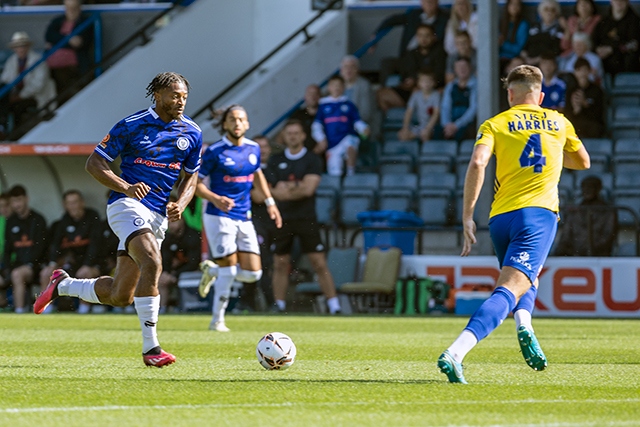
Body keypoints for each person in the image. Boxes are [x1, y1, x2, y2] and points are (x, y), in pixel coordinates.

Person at [34, 72, 202, 368]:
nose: (180, 101)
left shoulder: (192, 132)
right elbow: (94, 163)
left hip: (158, 214)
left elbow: (191, 175)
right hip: (127, 205)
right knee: (152, 262)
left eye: (184, 97)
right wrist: (126, 188)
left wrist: (182, 202)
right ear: (158, 95)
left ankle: (62, 285)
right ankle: (152, 349)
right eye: (175, 95)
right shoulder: (132, 125)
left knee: (120, 295)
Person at [437, 64, 590, 384]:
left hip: (500, 218)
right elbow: (583, 162)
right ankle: (456, 351)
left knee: (525, 277)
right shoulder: (559, 122)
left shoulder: (495, 123)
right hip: (537, 216)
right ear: (542, 95)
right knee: (508, 290)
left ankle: (525, 326)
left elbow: (478, 162)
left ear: (510, 94)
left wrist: (467, 215)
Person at [196, 105, 282, 332]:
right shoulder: (214, 151)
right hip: (219, 216)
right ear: (224, 124)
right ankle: (217, 321)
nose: (237, 123)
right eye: (232, 119)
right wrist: (215, 199)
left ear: (247, 124)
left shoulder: (253, 148)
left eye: (241, 119)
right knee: (230, 270)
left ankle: (212, 271)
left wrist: (270, 201)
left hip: (244, 217)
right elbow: (195, 185)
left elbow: (257, 174)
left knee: (254, 274)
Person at [266, 119, 341, 315]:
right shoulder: (275, 160)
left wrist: (287, 187)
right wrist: (295, 187)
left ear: (303, 136)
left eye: (296, 133)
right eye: (289, 133)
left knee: (318, 261)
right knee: (280, 262)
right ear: (284, 136)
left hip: (306, 218)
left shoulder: (312, 159)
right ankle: (279, 305)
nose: (292, 136)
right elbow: (273, 192)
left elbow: (309, 190)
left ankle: (334, 305)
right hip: (282, 218)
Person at [38, 189, 103, 314]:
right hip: (70, 263)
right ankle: (46, 309)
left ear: (82, 203)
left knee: (85, 273)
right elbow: (55, 244)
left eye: (76, 202)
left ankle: (84, 310)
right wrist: (52, 262)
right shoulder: (64, 220)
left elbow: (96, 245)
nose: (74, 206)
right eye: (70, 203)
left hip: (90, 263)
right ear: (65, 205)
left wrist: (87, 264)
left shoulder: (92, 217)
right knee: (46, 273)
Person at [377, 24, 447, 112]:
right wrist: (409, 81)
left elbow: (439, 76)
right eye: (420, 35)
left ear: (433, 37)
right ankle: (399, 123)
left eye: (427, 35)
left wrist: (420, 84)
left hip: (431, 91)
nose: (423, 39)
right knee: (380, 94)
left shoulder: (440, 53)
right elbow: (407, 73)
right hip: (411, 90)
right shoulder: (412, 53)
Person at [1, 185, 48, 313]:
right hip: (18, 265)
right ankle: (15, 308)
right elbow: (7, 249)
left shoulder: (38, 219)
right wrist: (5, 269)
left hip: (37, 265)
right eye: (13, 202)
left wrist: (30, 264)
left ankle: (21, 310)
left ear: (26, 199)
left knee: (17, 274)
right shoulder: (11, 221)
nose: (17, 205)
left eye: (19, 200)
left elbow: (41, 247)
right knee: (15, 273)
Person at [312, 75, 370, 177]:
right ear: (329, 87)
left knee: (350, 146)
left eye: (339, 85)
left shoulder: (349, 104)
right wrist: (321, 139)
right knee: (334, 172)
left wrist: (363, 129)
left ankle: (351, 173)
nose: (336, 88)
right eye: (334, 85)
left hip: (347, 135)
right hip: (332, 142)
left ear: (343, 87)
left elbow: (357, 121)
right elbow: (317, 125)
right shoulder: (323, 105)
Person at [0, 31, 56, 134]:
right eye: (17, 46)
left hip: (35, 96)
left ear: (28, 46)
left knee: (16, 107)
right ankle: (3, 130)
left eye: (23, 45)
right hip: (17, 94)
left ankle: (15, 134)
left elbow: (38, 85)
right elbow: (5, 80)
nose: (20, 49)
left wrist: (20, 96)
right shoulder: (12, 60)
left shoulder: (38, 60)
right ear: (14, 48)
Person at [44, 0, 94, 105]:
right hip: (51, 65)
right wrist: (69, 40)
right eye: (68, 8)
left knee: (64, 85)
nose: (71, 11)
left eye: (74, 8)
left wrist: (57, 42)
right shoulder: (58, 21)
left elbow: (81, 43)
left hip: (73, 65)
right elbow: (49, 35)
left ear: (79, 8)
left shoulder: (85, 22)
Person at [248, 134, 276, 311]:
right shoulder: (247, 170)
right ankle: (257, 303)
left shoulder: (275, 168)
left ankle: (274, 302)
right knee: (257, 262)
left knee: (272, 264)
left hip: (276, 223)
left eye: (265, 147)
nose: (262, 150)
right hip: (254, 222)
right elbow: (258, 197)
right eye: (258, 147)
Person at [555, 175, 616, 256]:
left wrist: (589, 250)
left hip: (599, 256)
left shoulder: (608, 212)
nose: (587, 190)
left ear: (598, 189)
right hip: (574, 255)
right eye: (584, 187)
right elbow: (565, 237)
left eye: (591, 187)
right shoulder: (575, 212)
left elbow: (608, 237)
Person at [371, 0, 449, 58]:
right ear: (422, 3)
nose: (428, 4)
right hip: (407, 57)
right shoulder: (413, 15)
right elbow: (391, 20)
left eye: (431, 2)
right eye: (425, 2)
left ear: (437, 2)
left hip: (430, 58)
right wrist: (375, 35)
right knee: (387, 63)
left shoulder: (444, 18)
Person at [158, 216, 201, 313]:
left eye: (173, 222)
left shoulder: (193, 236)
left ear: (182, 221)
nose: (170, 226)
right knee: (161, 280)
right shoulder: (168, 238)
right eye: (168, 223)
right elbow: (165, 259)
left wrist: (175, 275)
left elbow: (194, 263)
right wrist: (166, 273)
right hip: (174, 272)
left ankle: (182, 306)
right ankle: (162, 309)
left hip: (191, 271)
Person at [592, 0, 640, 77]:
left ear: (628, 2)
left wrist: (612, 49)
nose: (619, 2)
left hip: (623, 60)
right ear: (611, 1)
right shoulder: (603, 22)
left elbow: (634, 44)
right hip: (603, 59)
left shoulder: (635, 21)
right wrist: (597, 49)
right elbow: (594, 40)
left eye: (622, 0)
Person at [434, 56, 477, 142]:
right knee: (436, 132)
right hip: (450, 124)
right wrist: (446, 125)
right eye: (459, 67)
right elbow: (445, 107)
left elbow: (473, 109)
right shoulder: (450, 86)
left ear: (470, 68)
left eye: (465, 67)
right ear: (455, 69)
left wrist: (456, 125)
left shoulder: (476, 85)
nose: (462, 70)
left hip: (466, 124)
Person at [564, 58, 605, 139]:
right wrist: (576, 110)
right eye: (579, 70)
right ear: (575, 72)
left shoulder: (597, 90)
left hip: (591, 123)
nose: (582, 73)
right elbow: (567, 111)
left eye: (585, 70)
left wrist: (585, 104)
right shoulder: (570, 91)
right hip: (576, 122)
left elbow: (600, 112)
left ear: (589, 71)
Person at [397, 70, 440, 142]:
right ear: (419, 83)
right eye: (423, 81)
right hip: (420, 126)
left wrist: (428, 128)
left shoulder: (436, 95)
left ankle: (426, 151)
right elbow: (409, 112)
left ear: (434, 83)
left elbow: (436, 114)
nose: (426, 84)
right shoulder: (416, 95)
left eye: (429, 81)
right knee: (402, 135)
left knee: (425, 134)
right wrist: (405, 128)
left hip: (433, 126)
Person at [521, 0, 564, 66]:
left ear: (557, 13)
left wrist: (537, 59)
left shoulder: (559, 29)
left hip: (547, 61)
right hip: (529, 59)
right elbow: (527, 44)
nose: (549, 12)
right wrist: (525, 57)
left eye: (553, 10)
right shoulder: (534, 26)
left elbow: (555, 50)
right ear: (540, 13)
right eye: (546, 9)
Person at [287, 84, 321, 153]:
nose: (312, 96)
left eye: (315, 94)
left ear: (320, 96)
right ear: (305, 97)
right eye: (310, 94)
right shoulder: (297, 115)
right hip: (301, 156)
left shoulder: (327, 114)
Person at [340, 55, 373, 123]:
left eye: (352, 67)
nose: (348, 70)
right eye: (346, 67)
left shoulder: (364, 85)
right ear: (341, 70)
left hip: (358, 125)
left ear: (357, 70)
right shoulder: (337, 84)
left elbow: (365, 114)